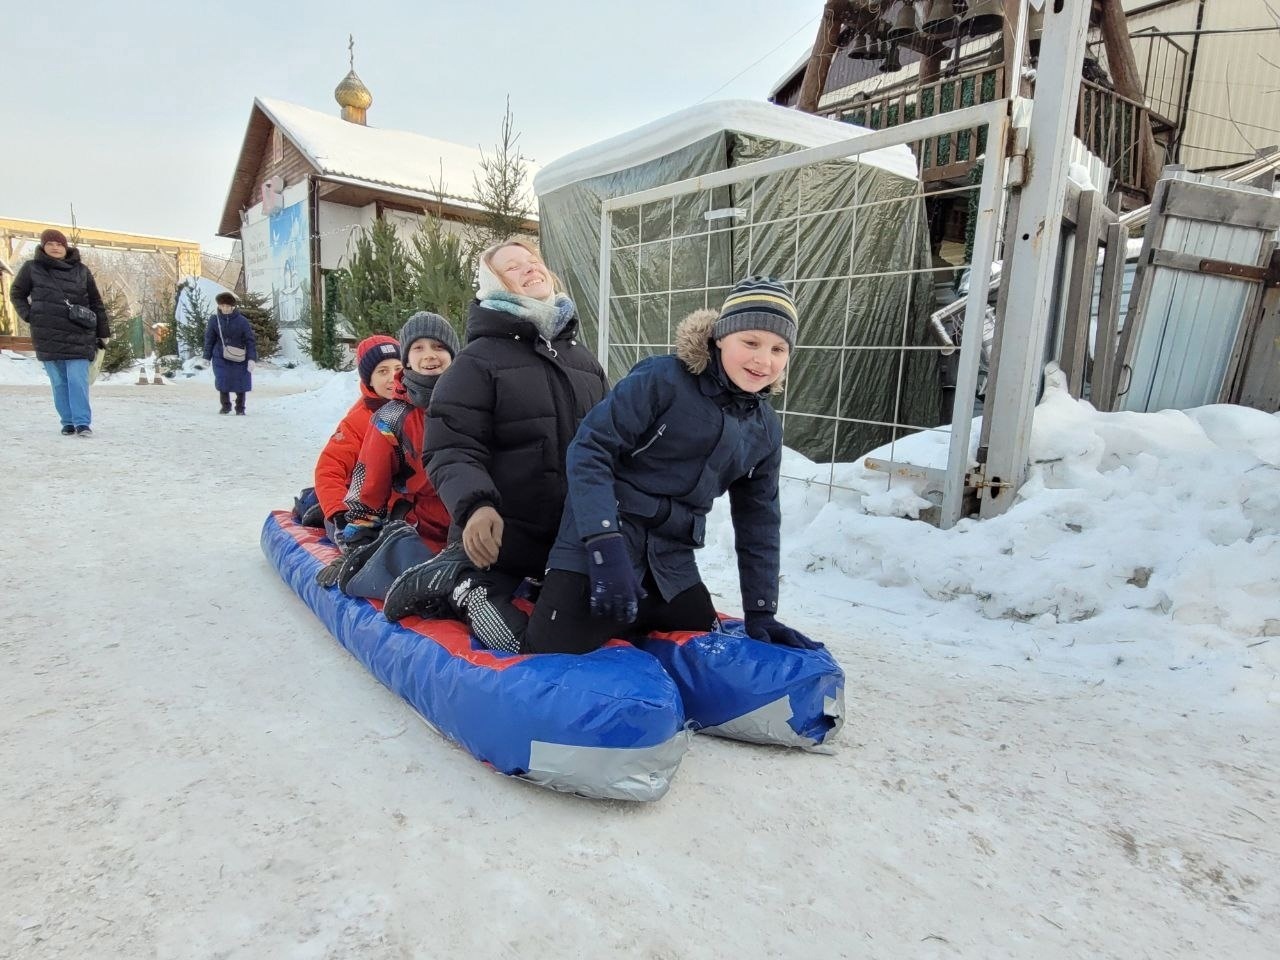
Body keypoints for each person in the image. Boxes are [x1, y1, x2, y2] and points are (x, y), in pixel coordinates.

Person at [524, 276, 821, 655]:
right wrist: (603, 545)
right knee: (550, 648)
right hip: (602, 538)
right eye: (750, 342)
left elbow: (759, 520)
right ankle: (477, 595)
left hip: (669, 560)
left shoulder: (763, 428)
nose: (764, 360)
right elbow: (589, 450)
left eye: (779, 348)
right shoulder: (662, 379)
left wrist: (761, 612)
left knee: (700, 639)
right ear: (719, 338)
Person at [383, 237, 609, 652]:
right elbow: (451, 448)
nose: (528, 267)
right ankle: (459, 582)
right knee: (512, 640)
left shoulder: (585, 363)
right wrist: (476, 506)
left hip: (565, 543)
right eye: (512, 266)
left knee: (608, 620)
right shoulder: (476, 363)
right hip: (496, 545)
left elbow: (607, 446)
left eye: (532, 260)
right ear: (494, 286)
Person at [328, 312, 459, 598]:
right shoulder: (391, 418)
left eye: (439, 347)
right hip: (421, 528)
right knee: (415, 563)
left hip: (472, 524)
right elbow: (368, 486)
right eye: (418, 348)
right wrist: (356, 546)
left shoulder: (475, 404)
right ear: (408, 359)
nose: (430, 355)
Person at [9, 228, 109, 436]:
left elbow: (96, 301)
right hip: (47, 334)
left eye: (59, 244)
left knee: (77, 380)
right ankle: (68, 421)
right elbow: (17, 293)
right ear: (43, 247)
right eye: (50, 244)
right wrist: (30, 314)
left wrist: (102, 331)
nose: (55, 247)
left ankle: (82, 422)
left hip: (79, 334)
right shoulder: (32, 268)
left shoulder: (81, 270)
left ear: (66, 247)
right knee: (59, 381)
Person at [312, 334, 401, 540]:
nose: (392, 377)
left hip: (398, 506)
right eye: (382, 371)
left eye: (398, 369)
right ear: (368, 379)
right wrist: (339, 513)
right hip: (362, 506)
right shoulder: (358, 422)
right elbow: (329, 469)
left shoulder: (416, 410)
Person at [203, 292, 257, 415]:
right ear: (219, 306)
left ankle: (240, 407)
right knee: (223, 379)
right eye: (223, 306)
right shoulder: (214, 320)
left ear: (233, 307)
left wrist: (251, 358)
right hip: (220, 356)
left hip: (239, 356)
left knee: (241, 381)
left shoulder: (242, 321)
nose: (225, 309)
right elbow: (209, 339)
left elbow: (250, 340)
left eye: (228, 306)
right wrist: (206, 357)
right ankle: (225, 406)